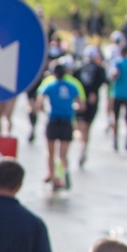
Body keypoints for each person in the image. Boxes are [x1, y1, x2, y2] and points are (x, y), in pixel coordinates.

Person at [35, 60, 84, 189]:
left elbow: (38, 104)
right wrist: (70, 108)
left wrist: (46, 111)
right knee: (63, 154)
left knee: (51, 152)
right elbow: (82, 105)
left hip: (53, 120)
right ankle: (65, 173)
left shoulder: (49, 86)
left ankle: (52, 177)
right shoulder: (72, 86)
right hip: (67, 121)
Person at [74, 47, 108, 166]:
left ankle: (82, 144)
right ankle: (84, 146)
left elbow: (74, 82)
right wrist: (94, 91)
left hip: (81, 100)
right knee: (87, 128)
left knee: (79, 127)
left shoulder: (79, 67)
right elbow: (105, 81)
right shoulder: (100, 69)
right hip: (92, 102)